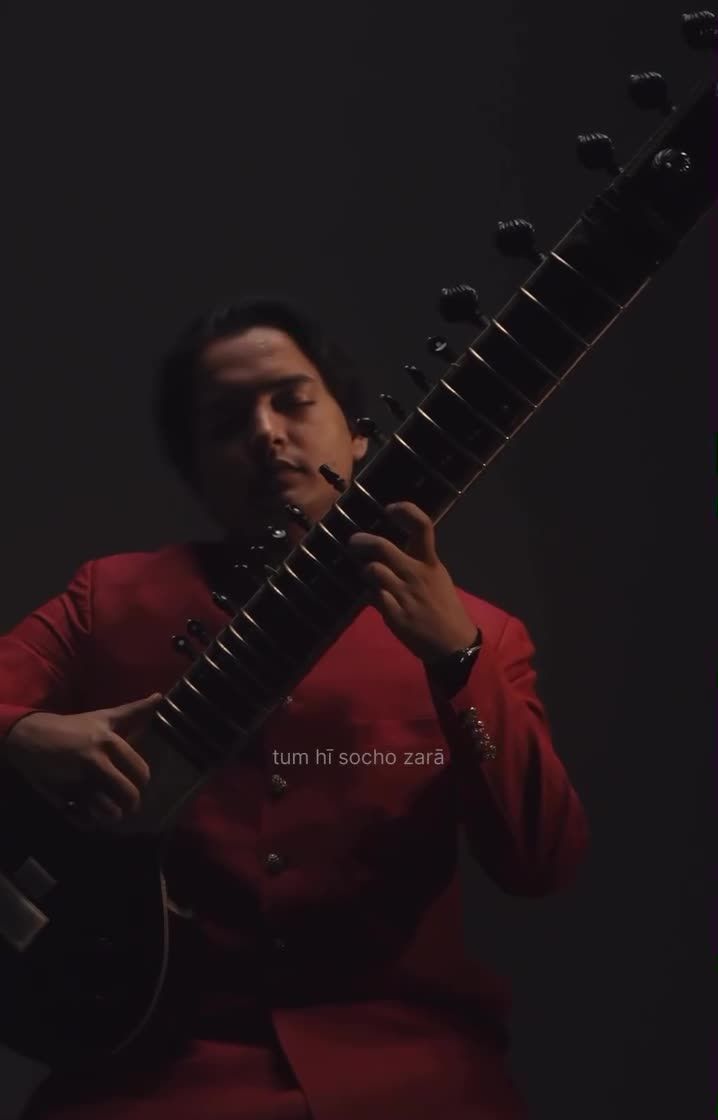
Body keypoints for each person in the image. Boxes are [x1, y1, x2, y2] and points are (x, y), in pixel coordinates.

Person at [0, 299, 589, 1120]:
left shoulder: (484, 634)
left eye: (294, 401)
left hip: (413, 1076)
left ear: (359, 434)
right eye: (226, 423)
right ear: (196, 470)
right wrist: (23, 733)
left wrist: (458, 658)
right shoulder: (112, 600)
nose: (268, 434)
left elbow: (540, 860)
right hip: (154, 1082)